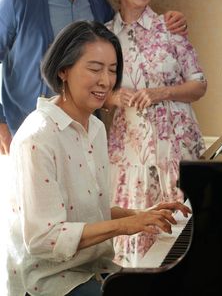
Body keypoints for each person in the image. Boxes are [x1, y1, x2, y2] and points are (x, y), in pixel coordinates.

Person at [6, 20, 191, 296]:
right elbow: (44, 238)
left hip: (92, 268)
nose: (106, 81)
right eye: (94, 68)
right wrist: (123, 226)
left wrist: (141, 215)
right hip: (49, 281)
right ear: (63, 70)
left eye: (113, 70)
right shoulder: (38, 137)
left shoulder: (95, 127)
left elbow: (89, 210)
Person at [0, 0, 188, 155]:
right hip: (29, 132)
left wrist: (169, 21)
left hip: (86, 134)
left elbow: (132, 30)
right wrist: (0, 122)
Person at [103, 0, 207, 266]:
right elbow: (96, 92)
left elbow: (199, 85)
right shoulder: (105, 36)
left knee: (180, 237)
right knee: (136, 229)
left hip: (176, 147)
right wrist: (115, 97)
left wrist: (160, 93)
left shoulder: (170, 29)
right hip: (130, 152)